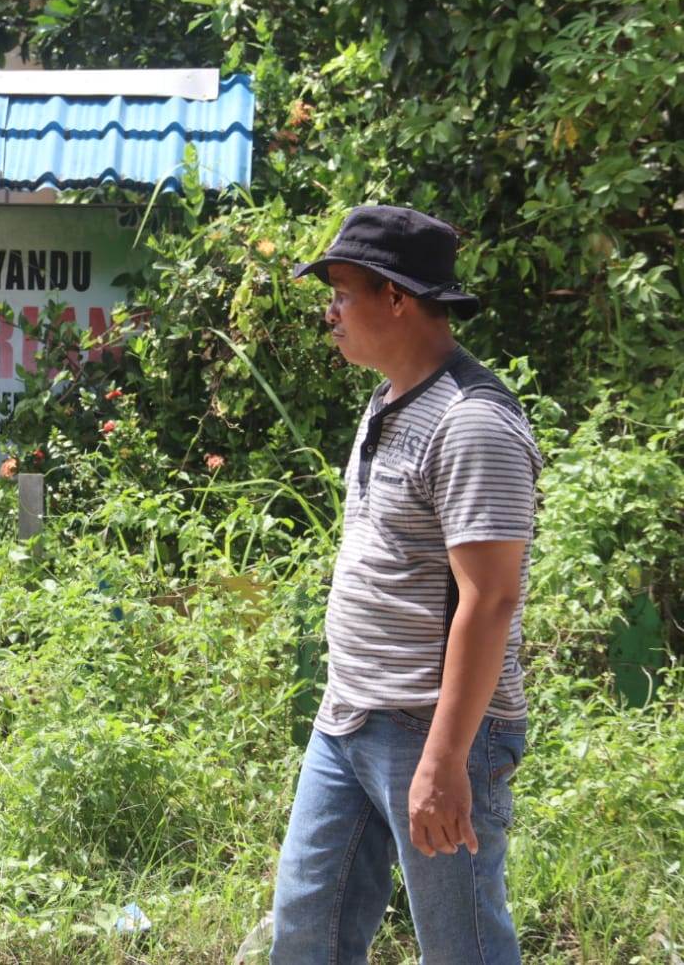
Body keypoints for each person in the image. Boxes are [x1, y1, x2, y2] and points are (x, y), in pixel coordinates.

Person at [269, 207, 543, 963]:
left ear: (395, 296)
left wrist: (446, 760)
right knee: (306, 933)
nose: (329, 314)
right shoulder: (390, 400)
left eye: (341, 294)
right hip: (349, 714)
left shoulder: (473, 422)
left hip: (434, 730)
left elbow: (491, 598)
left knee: (461, 947)